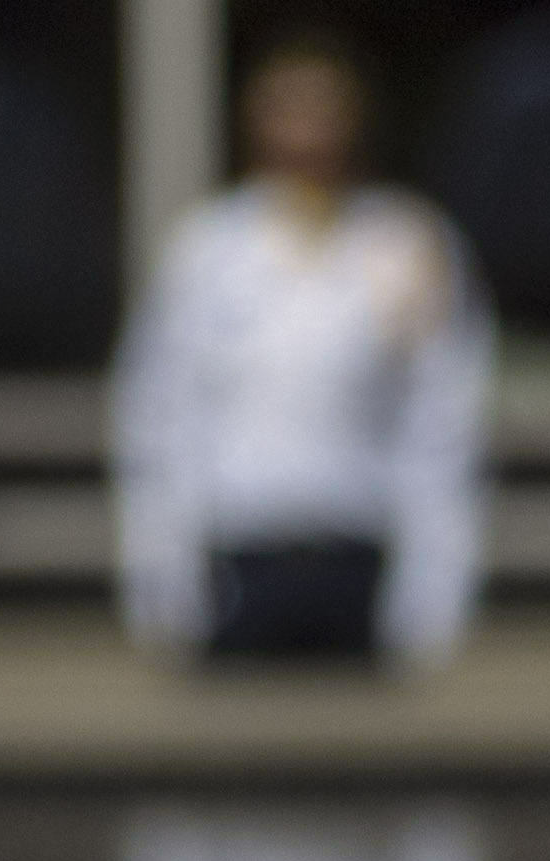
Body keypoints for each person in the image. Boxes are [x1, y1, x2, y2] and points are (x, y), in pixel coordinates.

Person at [111, 33, 492, 669]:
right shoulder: (209, 251)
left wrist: (435, 592)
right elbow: (159, 416)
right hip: (239, 559)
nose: (306, 138)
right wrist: (161, 579)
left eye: (323, 116)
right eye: (287, 114)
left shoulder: (405, 243)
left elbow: (444, 422)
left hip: (359, 557)